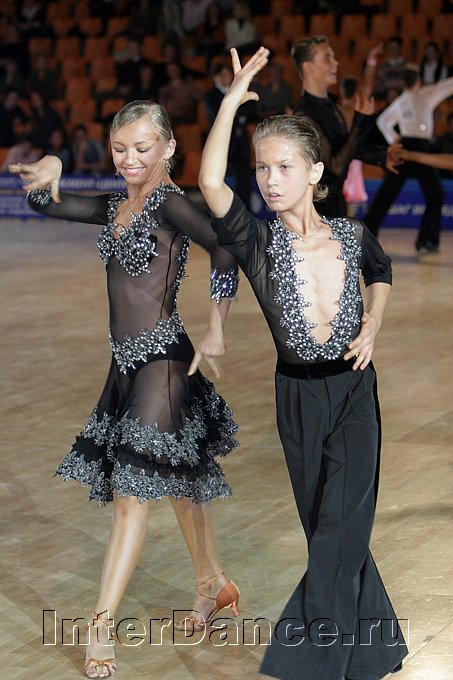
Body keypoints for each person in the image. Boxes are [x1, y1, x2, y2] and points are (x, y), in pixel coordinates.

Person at [9, 99, 240, 678]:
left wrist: (216, 325)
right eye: (119, 148)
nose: (129, 158)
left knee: (132, 493)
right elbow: (46, 201)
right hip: (125, 366)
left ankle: (101, 626)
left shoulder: (171, 203)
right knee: (179, 481)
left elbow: (224, 245)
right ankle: (212, 583)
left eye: (142, 147)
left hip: (164, 361)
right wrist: (54, 166)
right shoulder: (116, 206)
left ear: (168, 148)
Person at [197, 46, 408, 680]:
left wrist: (373, 324)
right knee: (329, 529)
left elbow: (381, 272)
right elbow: (211, 184)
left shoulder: (350, 235)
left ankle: (310, 665)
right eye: (262, 168)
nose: (270, 179)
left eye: (284, 166)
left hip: (354, 390)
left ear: (315, 171)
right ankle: (374, 650)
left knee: (339, 528)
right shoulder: (257, 243)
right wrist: (230, 104)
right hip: (297, 399)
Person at [291, 35, 398, 218]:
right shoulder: (305, 115)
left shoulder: (329, 105)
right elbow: (335, 168)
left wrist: (380, 156)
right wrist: (359, 122)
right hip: (317, 214)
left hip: (333, 206)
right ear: (308, 67)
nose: (336, 62)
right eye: (327, 58)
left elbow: (343, 147)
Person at [364, 66, 453, 252]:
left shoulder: (401, 101)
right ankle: (427, 241)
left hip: (404, 147)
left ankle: (366, 237)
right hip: (420, 149)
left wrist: (393, 139)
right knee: (435, 195)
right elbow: (448, 85)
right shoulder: (426, 94)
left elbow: (382, 121)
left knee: (386, 195)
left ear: (403, 83)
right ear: (418, 81)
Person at [202, 61, 253, 208]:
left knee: (244, 179)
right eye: (223, 74)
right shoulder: (210, 95)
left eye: (228, 74)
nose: (227, 77)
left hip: (240, 142)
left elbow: (249, 110)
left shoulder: (238, 91)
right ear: (215, 77)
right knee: (220, 180)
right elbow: (218, 115)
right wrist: (235, 112)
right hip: (222, 143)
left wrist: (234, 113)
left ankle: (246, 211)